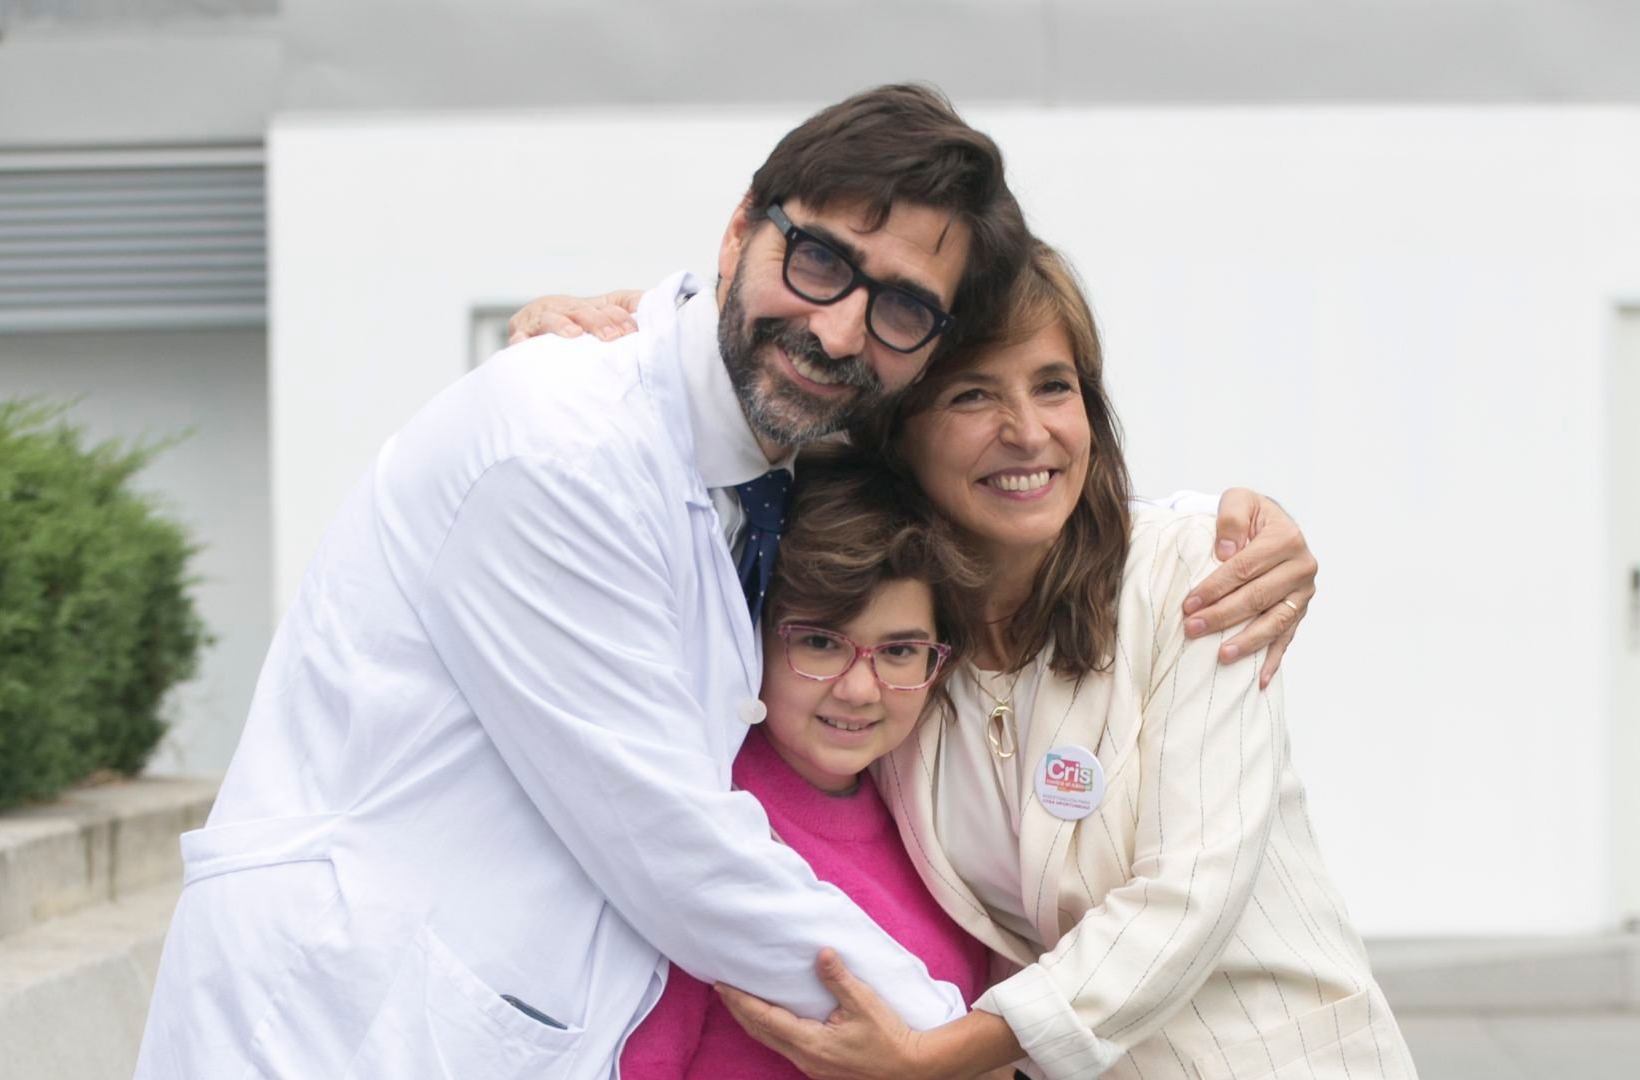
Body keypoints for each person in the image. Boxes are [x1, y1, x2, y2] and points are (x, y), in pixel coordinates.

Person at [135, 84, 1316, 1080]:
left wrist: (1211, 525)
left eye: (902, 309)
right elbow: (671, 838)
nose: (844, 330)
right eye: (820, 260)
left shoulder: (767, 474)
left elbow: (991, 492)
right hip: (339, 1024)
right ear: (739, 227)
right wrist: (938, 1040)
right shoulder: (561, 446)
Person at [520, 244, 1407, 1079]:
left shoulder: (1198, 581)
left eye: (1054, 387)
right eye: (973, 396)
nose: (1027, 432)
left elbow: (1188, 898)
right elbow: (742, 397)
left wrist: (935, 1056)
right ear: (899, 434)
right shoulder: (907, 643)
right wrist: (608, 340)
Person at [620, 447, 999, 1080]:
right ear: (754, 632)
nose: (859, 689)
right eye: (821, 642)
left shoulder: (937, 825)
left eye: (900, 651)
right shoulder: (706, 816)